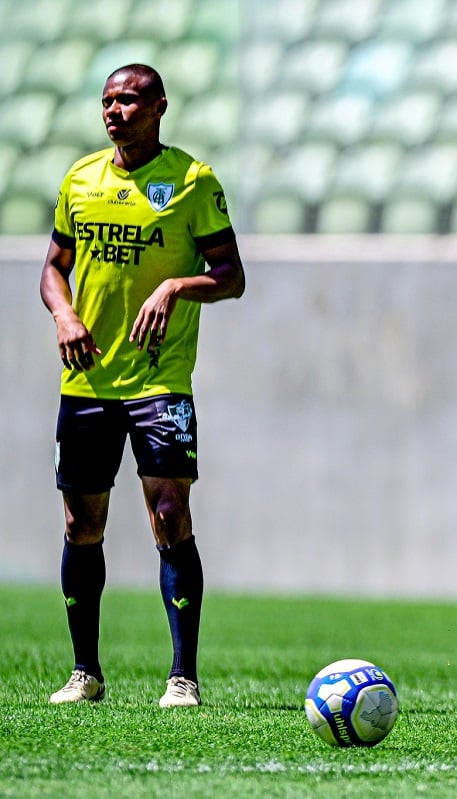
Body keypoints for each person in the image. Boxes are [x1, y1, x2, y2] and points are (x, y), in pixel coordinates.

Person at [40, 64, 245, 708]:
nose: (115, 111)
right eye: (107, 101)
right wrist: (65, 313)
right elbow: (52, 269)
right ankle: (85, 672)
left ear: (159, 107)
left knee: (169, 513)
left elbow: (232, 275)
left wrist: (176, 285)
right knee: (82, 522)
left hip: (159, 378)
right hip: (88, 381)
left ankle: (182, 675)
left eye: (129, 100)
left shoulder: (191, 181)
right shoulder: (81, 179)